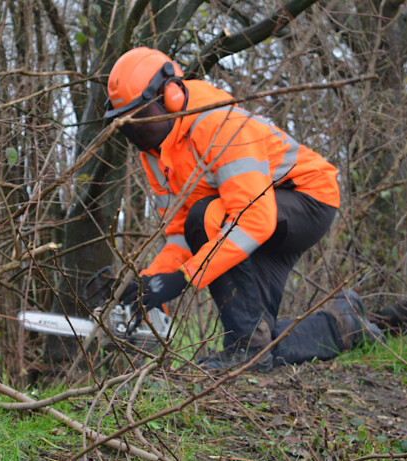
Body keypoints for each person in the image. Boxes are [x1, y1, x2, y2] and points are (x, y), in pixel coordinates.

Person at [104, 47, 380, 372]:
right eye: (125, 125)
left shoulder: (218, 123)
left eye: (140, 119)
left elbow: (252, 220)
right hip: (254, 215)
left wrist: (185, 276)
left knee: (206, 216)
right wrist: (148, 285)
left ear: (171, 96)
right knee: (259, 335)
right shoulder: (156, 154)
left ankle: (246, 348)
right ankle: (344, 324)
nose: (135, 132)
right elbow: (179, 235)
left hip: (306, 200)